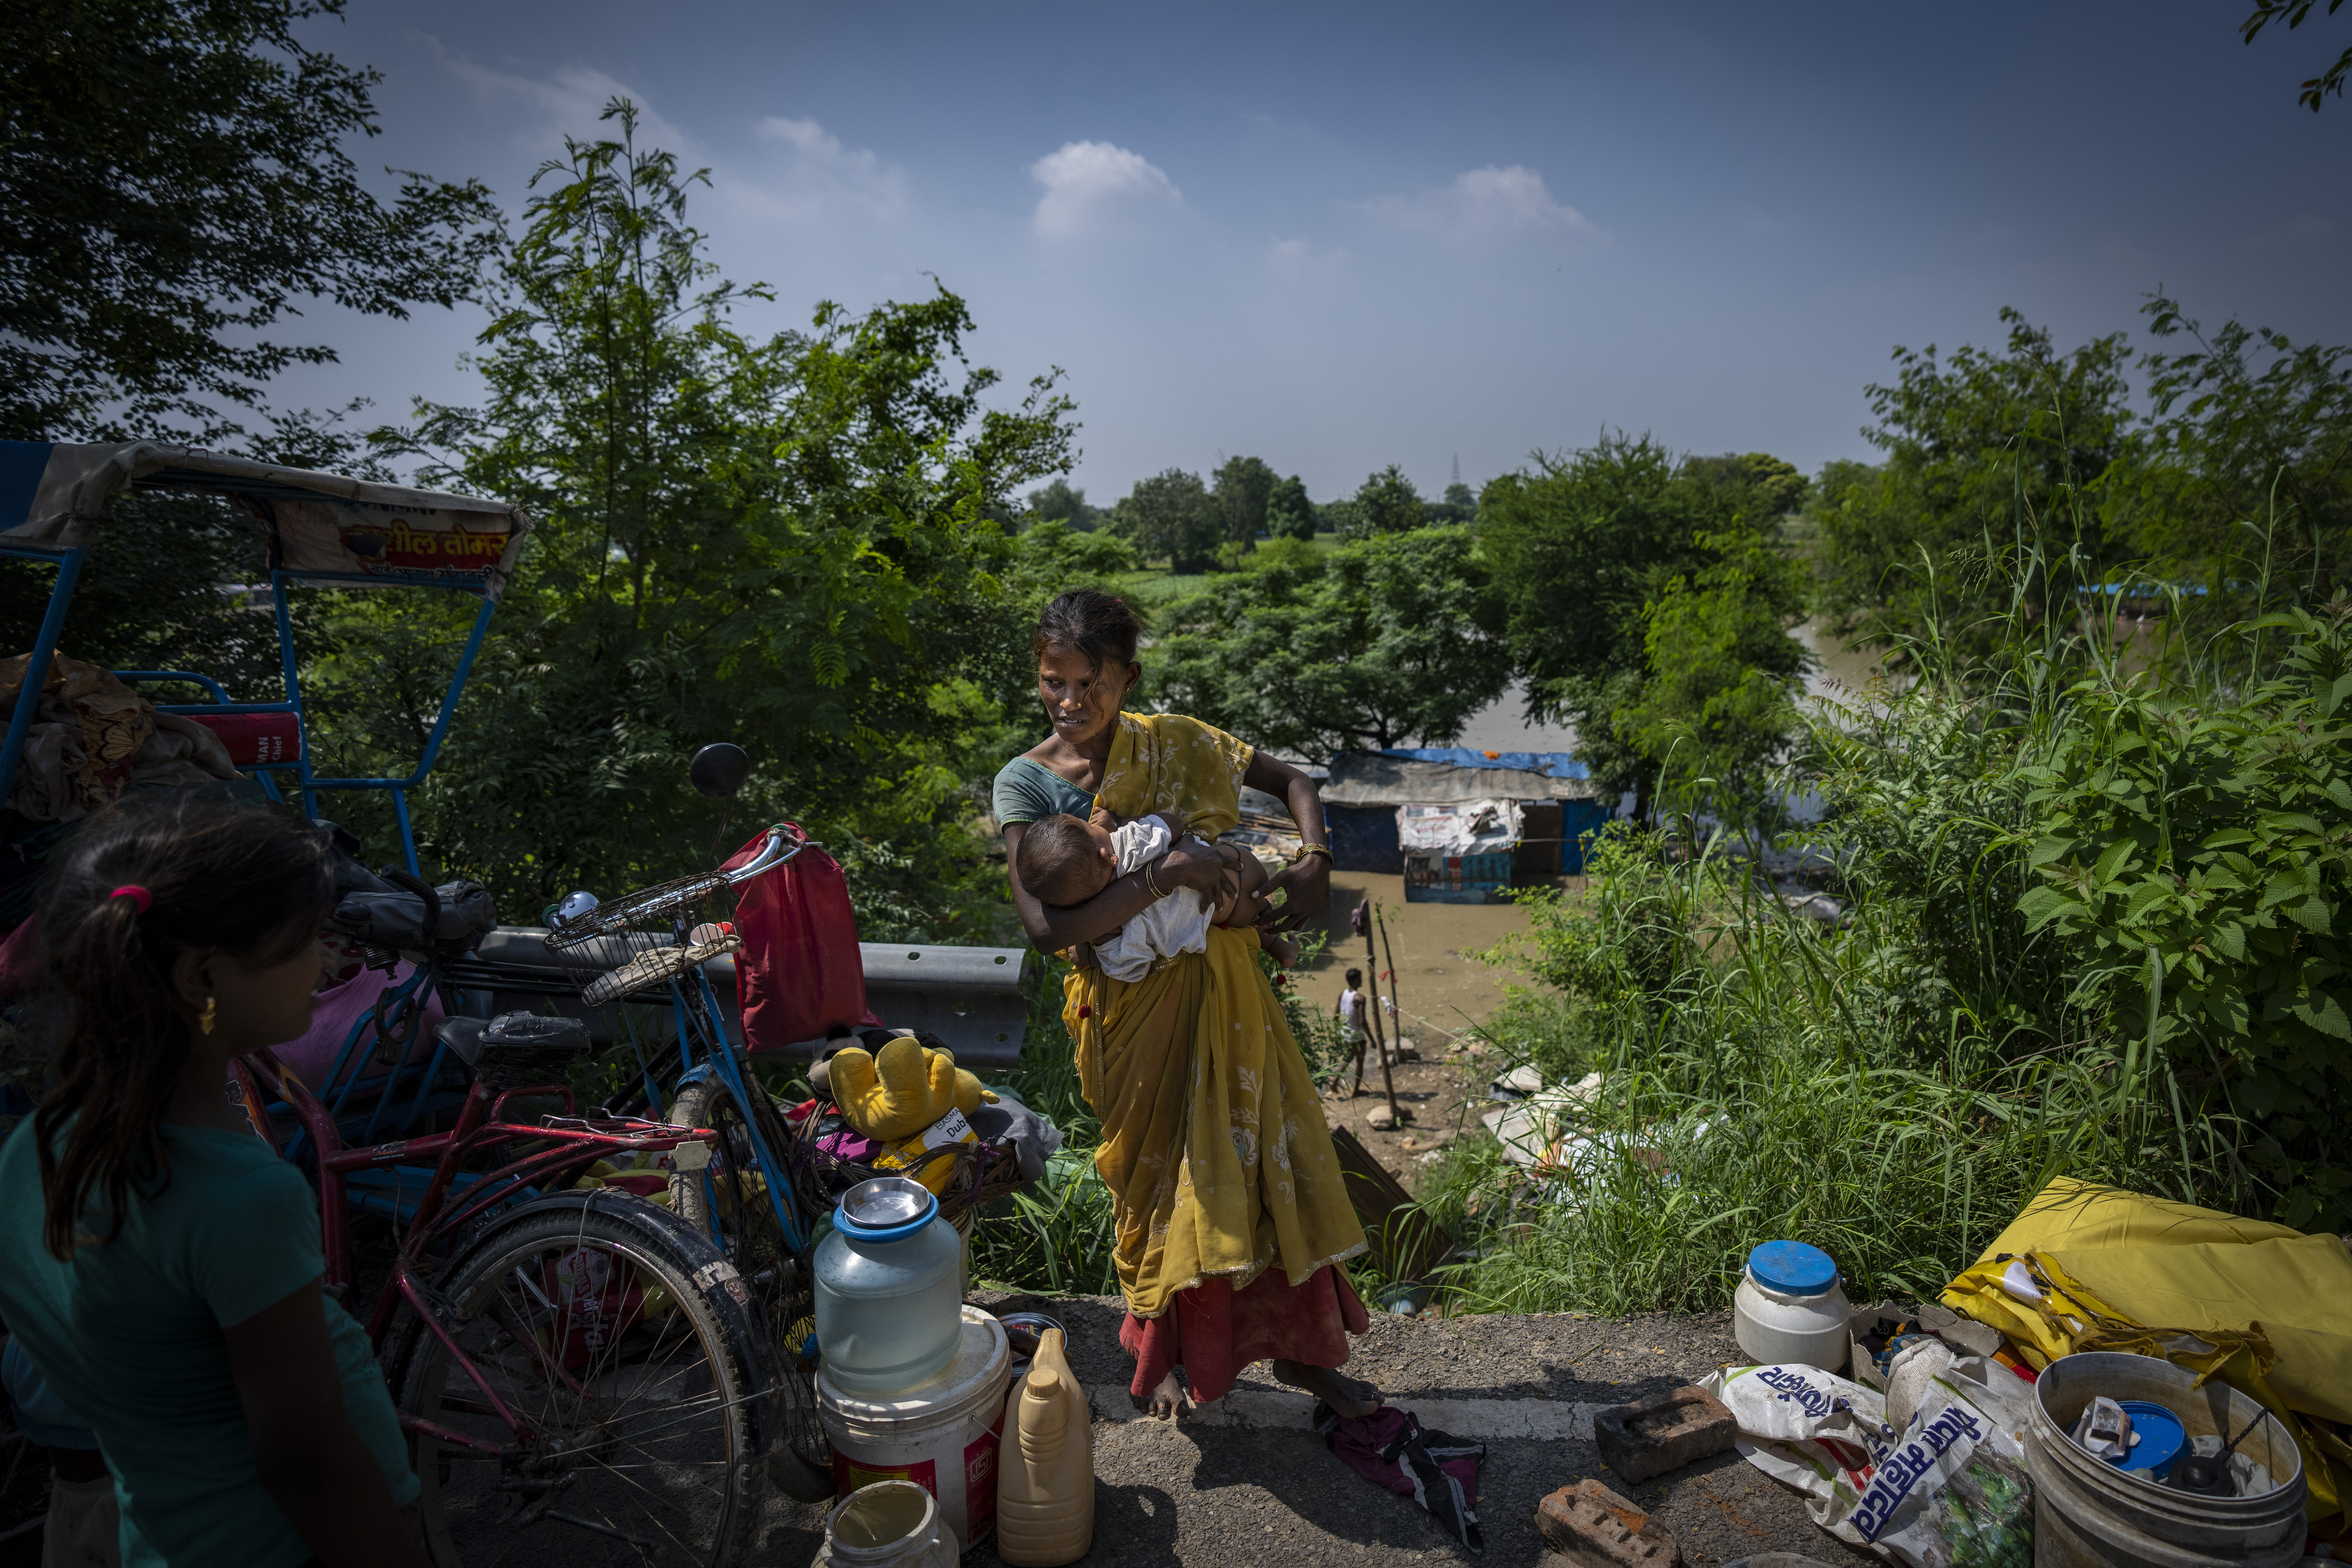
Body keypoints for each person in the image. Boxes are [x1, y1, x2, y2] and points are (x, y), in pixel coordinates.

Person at [0, 797, 427, 1568]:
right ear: (203, 975)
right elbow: (307, 1461)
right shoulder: (238, 1198)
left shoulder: (32, 1154)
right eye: (303, 940)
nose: (330, 961)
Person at [994, 589, 1379, 1421]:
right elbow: (1046, 927)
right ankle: (1162, 1352)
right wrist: (1163, 876)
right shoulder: (1026, 785)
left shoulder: (1175, 740)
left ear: (1127, 679)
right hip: (1131, 1022)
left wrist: (1316, 857)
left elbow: (1294, 780)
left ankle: (1303, 1352)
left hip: (1230, 993)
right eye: (1054, 681)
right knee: (1162, 1187)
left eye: (1090, 684)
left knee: (1260, 1163)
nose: (1069, 701)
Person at [1013, 805, 1300, 979]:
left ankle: (1277, 947)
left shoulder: (1104, 927)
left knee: (1248, 917)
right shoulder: (1129, 843)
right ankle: (1272, 922)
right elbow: (1173, 824)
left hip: (1227, 914)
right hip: (1239, 865)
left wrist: (1090, 957)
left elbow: (1133, 969)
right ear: (1106, 856)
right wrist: (1120, 822)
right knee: (1261, 904)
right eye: (1089, 826)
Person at [1336, 968, 1370, 1088]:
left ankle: (1334, 1081)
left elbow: (1336, 1017)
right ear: (1356, 981)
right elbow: (1363, 1022)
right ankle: (1356, 1090)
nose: (1362, 981)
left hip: (1346, 1033)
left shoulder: (1343, 994)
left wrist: (1339, 1032)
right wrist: (1372, 1039)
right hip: (1357, 1035)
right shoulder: (1360, 998)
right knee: (1360, 1061)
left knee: (1349, 1056)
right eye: (1360, 979)